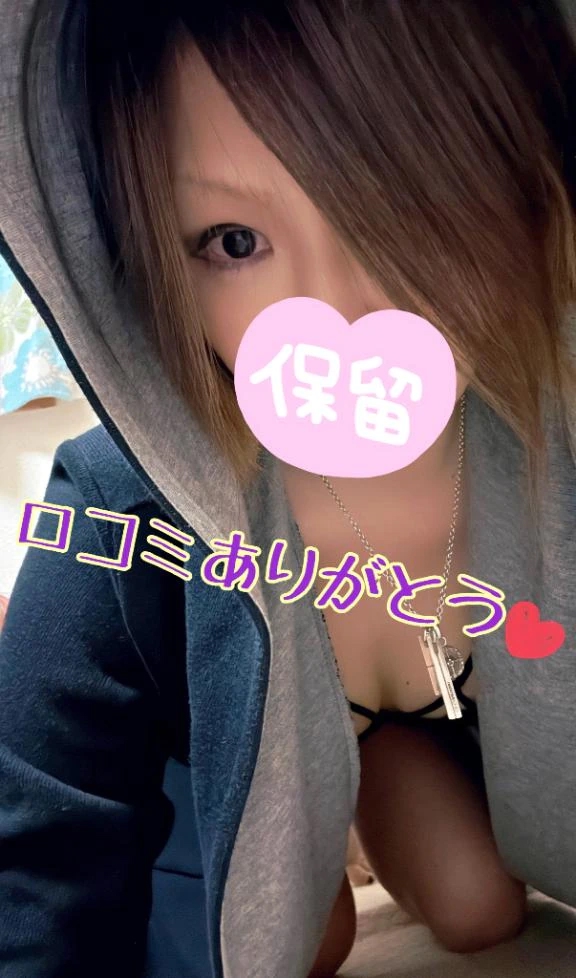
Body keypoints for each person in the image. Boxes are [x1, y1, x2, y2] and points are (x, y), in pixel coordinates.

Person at [1, 1, 576, 976]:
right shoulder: (117, 503)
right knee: (285, 940)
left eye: (409, 208)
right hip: (225, 774)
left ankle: (375, 795)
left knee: (475, 902)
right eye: (233, 241)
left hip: (434, 729)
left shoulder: (546, 432)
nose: (333, 310)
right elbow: (41, 858)